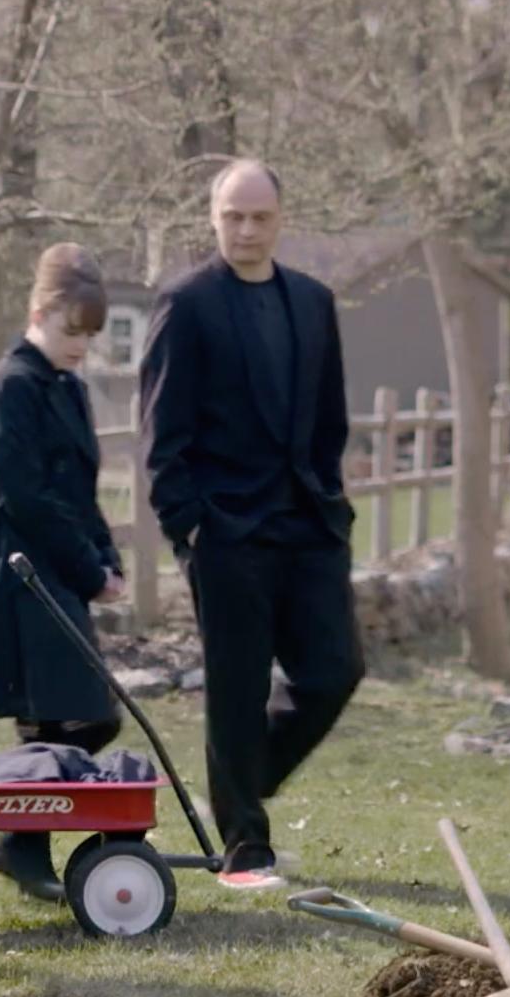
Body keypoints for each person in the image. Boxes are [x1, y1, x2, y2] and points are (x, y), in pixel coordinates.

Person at [138, 159, 366, 890]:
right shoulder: (187, 301)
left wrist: (329, 500)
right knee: (235, 687)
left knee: (335, 671)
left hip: (307, 522)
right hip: (224, 529)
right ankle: (244, 846)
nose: (245, 229)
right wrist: (190, 528)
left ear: (280, 219)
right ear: (213, 217)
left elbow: (330, 417)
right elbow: (160, 432)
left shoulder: (313, 300)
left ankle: (239, 783)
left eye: (259, 216)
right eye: (233, 216)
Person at [0, 244, 130, 900]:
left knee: (78, 716)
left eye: (90, 337)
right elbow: (27, 497)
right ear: (39, 313)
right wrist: (86, 569)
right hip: (23, 567)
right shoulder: (12, 386)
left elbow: (81, 486)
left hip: (60, 564)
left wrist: (107, 558)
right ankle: (21, 843)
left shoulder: (66, 387)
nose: (81, 347)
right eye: (72, 332)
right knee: (63, 716)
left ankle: (24, 845)